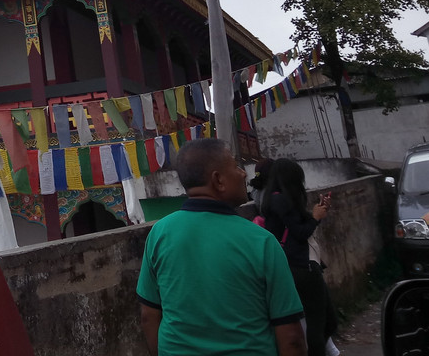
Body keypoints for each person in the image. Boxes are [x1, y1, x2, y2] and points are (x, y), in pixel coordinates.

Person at [137, 139, 307, 356]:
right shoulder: (261, 241)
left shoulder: (159, 233)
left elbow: (148, 317)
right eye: (236, 166)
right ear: (218, 180)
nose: (244, 174)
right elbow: (291, 336)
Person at [260, 159, 339, 356]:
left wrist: (317, 212)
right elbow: (300, 232)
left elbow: (298, 222)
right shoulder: (281, 201)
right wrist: (316, 218)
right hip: (301, 267)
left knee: (324, 322)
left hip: (292, 267)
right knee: (317, 325)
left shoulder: (274, 199)